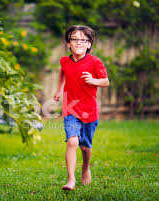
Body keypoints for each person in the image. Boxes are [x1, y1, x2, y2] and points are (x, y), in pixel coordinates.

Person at [53, 25, 109, 191]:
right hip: (70, 108)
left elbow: (106, 81)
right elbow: (63, 72)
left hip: (89, 110)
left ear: (89, 44)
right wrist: (58, 89)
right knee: (72, 141)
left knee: (85, 146)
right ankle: (71, 180)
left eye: (82, 40)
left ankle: (85, 166)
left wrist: (94, 81)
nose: (78, 42)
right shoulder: (64, 60)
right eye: (74, 39)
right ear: (68, 44)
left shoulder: (95, 62)